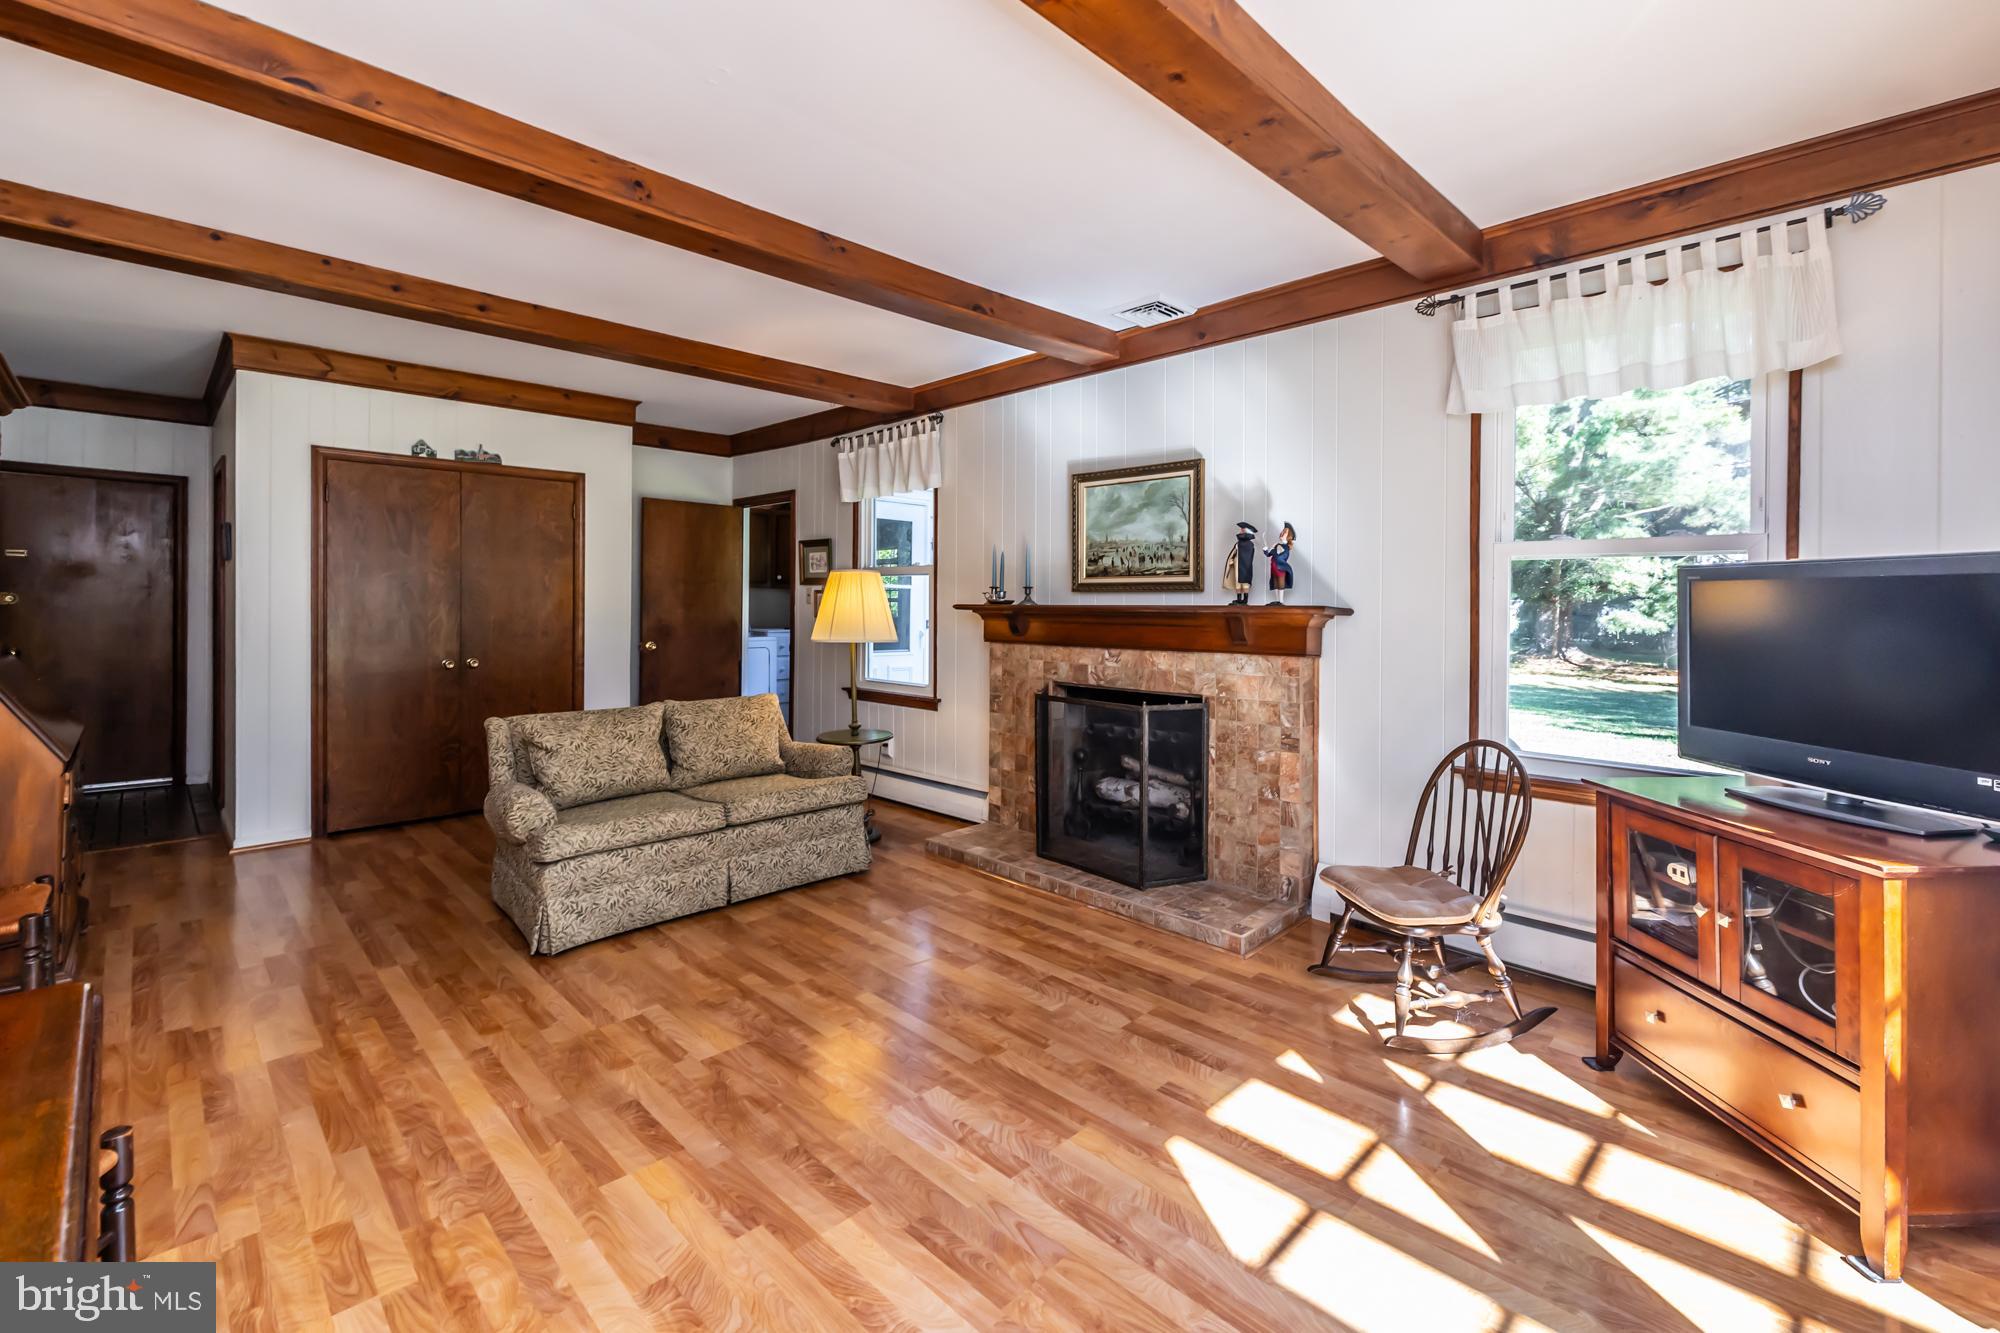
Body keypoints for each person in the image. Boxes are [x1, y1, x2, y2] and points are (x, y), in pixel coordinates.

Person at [1223, 522, 1258, 604]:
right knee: (1237, 582)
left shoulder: (1250, 544)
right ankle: (1239, 599)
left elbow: (1249, 556)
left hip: (1246, 567)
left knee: (1245, 583)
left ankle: (1245, 600)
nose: (1240, 531)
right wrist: (1232, 559)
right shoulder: (1238, 544)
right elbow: (1234, 553)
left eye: (1242, 530)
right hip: (1237, 565)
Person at [1264, 523, 1296, 605]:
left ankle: (1281, 601)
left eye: (1285, 532)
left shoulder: (1287, 547)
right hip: (1273, 567)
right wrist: (1266, 550)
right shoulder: (1276, 545)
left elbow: (1284, 556)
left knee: (1281, 584)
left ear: (1288, 535)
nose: (1282, 533)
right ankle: (1277, 600)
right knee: (1275, 583)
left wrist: (1277, 553)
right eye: (1282, 532)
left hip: (1281, 567)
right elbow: (1268, 554)